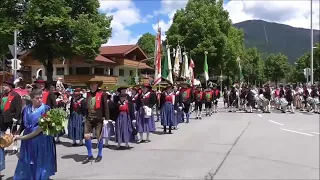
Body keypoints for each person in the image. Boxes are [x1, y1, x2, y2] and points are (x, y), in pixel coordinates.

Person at [13, 88, 56, 180]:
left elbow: (43, 127)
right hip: (27, 136)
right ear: (32, 99)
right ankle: (29, 176)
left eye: (41, 97)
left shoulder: (45, 108)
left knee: (39, 158)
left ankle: (41, 176)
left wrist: (21, 138)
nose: (40, 99)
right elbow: (23, 124)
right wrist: (18, 133)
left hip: (41, 137)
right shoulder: (26, 109)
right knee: (28, 158)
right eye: (37, 98)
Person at [83, 79, 109, 164]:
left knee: (99, 136)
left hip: (99, 118)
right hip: (89, 118)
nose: (93, 86)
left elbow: (106, 107)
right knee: (86, 136)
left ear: (97, 85)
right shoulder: (87, 94)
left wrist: (106, 119)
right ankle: (90, 155)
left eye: (94, 84)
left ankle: (100, 154)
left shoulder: (102, 94)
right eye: (91, 85)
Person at [0, 77, 22, 156]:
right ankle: (4, 146)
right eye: (4, 86)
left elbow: (18, 108)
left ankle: (15, 147)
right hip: (2, 117)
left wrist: (16, 117)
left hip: (12, 117)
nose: (4, 87)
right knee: (3, 132)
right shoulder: (3, 95)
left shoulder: (15, 95)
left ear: (10, 87)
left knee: (13, 132)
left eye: (5, 86)